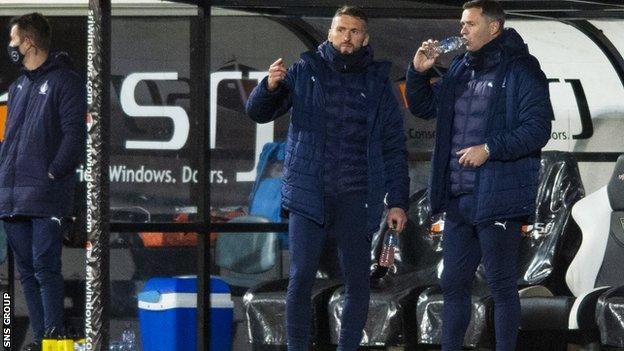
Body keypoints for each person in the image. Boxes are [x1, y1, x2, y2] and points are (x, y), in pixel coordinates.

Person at [246, 5, 409, 351]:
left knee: (358, 283)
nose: (346, 37)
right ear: (330, 33)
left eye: (353, 31)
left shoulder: (379, 81)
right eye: (340, 29)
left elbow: (394, 147)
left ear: (365, 38)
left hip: (356, 194)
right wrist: (269, 87)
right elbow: (258, 112)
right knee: (301, 276)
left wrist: (397, 201)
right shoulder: (306, 70)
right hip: (309, 194)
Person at [405, 1, 552, 350]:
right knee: (453, 284)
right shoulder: (459, 69)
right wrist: (418, 71)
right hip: (460, 198)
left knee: (501, 286)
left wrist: (490, 149)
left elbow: (537, 128)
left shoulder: (523, 70)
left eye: (470, 23)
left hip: (499, 197)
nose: (463, 30)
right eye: (462, 23)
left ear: (494, 27)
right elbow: (425, 107)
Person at [1, 13, 86, 351]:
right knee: (26, 272)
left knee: (45, 267)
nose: (10, 46)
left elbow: (74, 137)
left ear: (29, 42)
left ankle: (53, 339)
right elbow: (10, 140)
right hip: (12, 196)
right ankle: (40, 340)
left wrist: (52, 173)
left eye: (13, 39)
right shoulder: (18, 86)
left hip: (46, 194)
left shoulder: (66, 81)